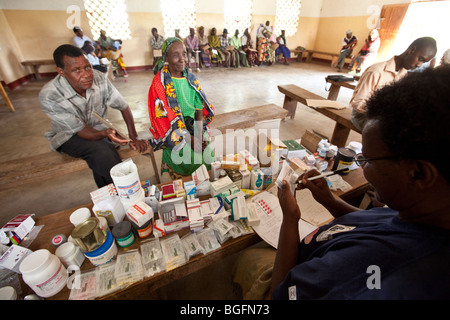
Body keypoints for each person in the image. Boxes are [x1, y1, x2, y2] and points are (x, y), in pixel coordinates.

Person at [271, 65, 450, 299]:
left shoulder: (364, 267)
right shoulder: (423, 211)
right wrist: (329, 200)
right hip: (318, 250)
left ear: (418, 174)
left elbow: (280, 294)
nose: (363, 168)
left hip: (293, 268)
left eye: (368, 160)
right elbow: (373, 224)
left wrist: (290, 221)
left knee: (248, 259)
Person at [39, 44, 148, 188]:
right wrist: (106, 133)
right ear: (62, 72)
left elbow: (123, 106)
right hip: (68, 135)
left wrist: (134, 136)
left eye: (87, 67)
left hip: (97, 129)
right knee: (101, 150)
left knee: (101, 154)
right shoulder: (50, 95)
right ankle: (128, 190)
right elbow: (81, 130)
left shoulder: (98, 78)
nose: (86, 74)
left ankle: (112, 195)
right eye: (76, 70)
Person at [148, 38, 215, 179]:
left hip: (192, 127)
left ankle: (206, 189)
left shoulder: (191, 79)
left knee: (208, 155)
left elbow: (198, 111)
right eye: (175, 55)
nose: (182, 59)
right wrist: (189, 139)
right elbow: (163, 120)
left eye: (184, 54)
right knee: (190, 157)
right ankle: (189, 187)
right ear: (166, 57)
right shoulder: (159, 84)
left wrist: (198, 135)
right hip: (173, 130)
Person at [350, 36, 437, 131]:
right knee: (389, 131)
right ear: (412, 50)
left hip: (384, 116)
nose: (419, 65)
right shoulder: (376, 71)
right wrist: (383, 113)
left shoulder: (404, 75)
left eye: (424, 62)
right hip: (363, 115)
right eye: (420, 59)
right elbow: (357, 102)